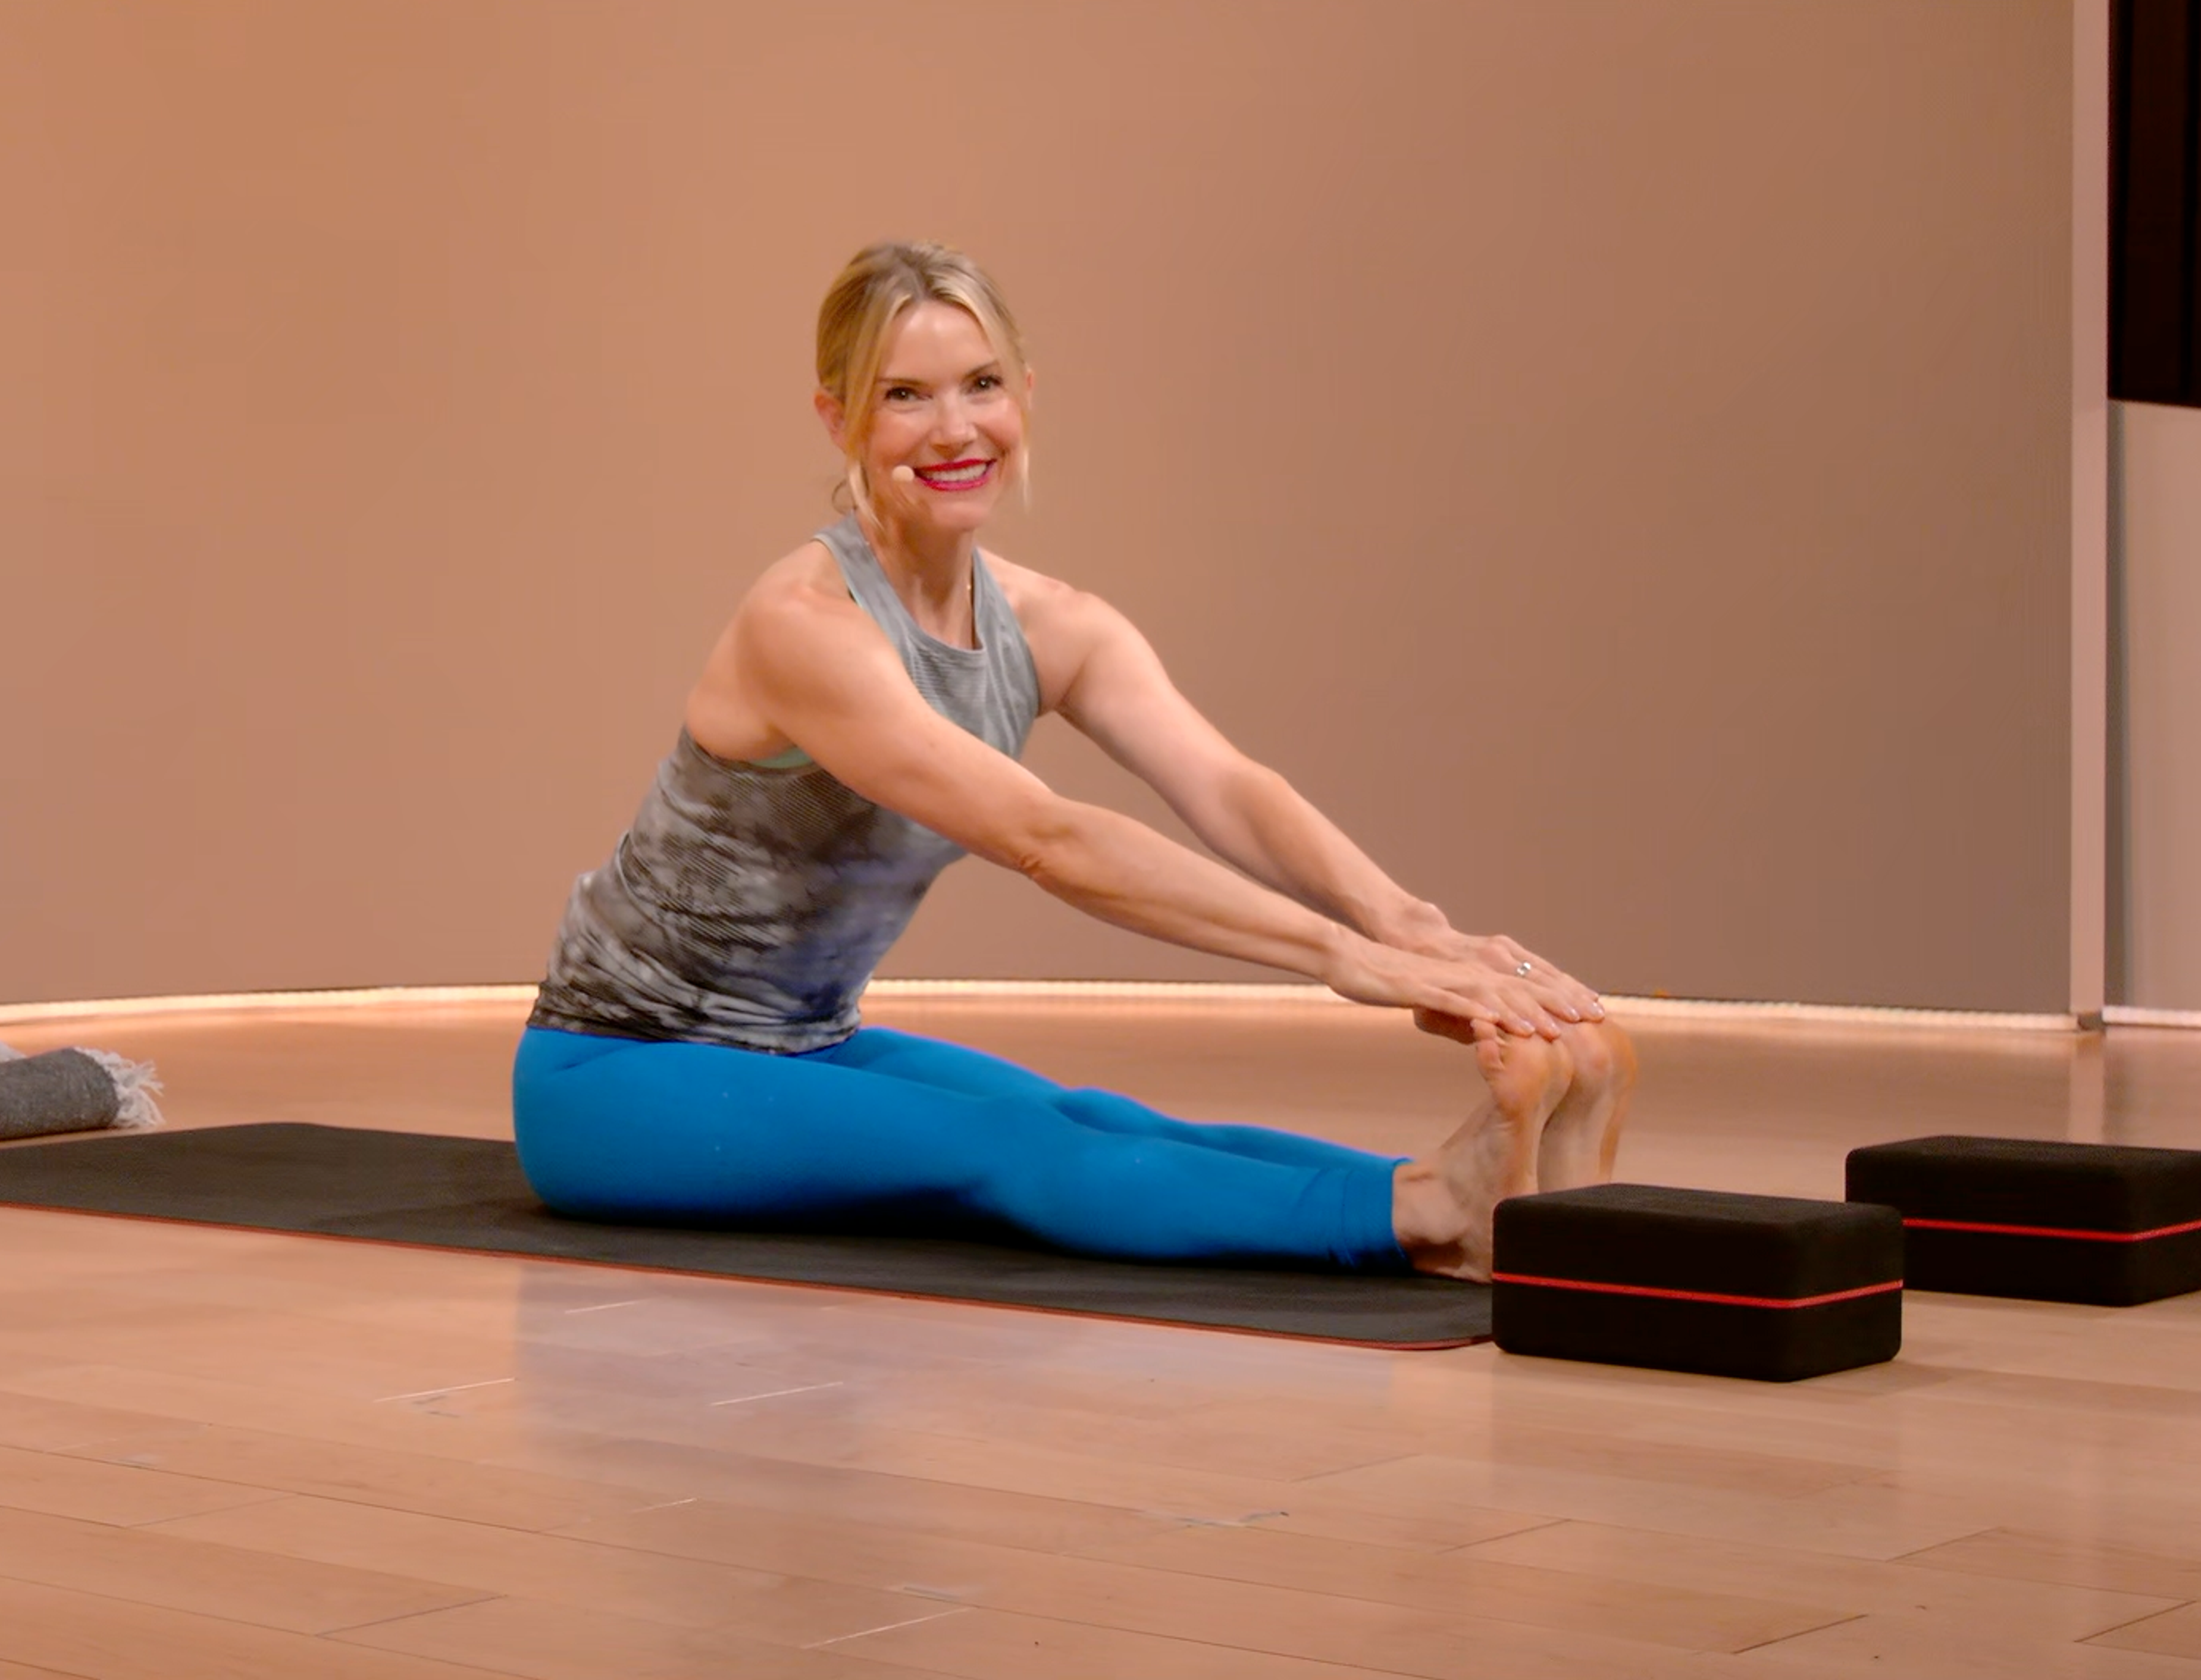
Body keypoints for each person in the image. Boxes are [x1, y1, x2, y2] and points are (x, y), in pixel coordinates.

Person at [514, 240, 1635, 1279]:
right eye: (903, 396)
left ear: (1026, 396)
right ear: (838, 419)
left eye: (981, 385)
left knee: (1095, 1119)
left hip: (806, 1046)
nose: (954, 430)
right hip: (618, 1071)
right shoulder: (805, 627)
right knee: (1002, 1148)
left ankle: (1494, 1200)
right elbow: (1047, 839)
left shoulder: (1054, 626)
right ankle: (1427, 1215)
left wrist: (1411, 927)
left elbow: (1231, 788)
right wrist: (1342, 958)